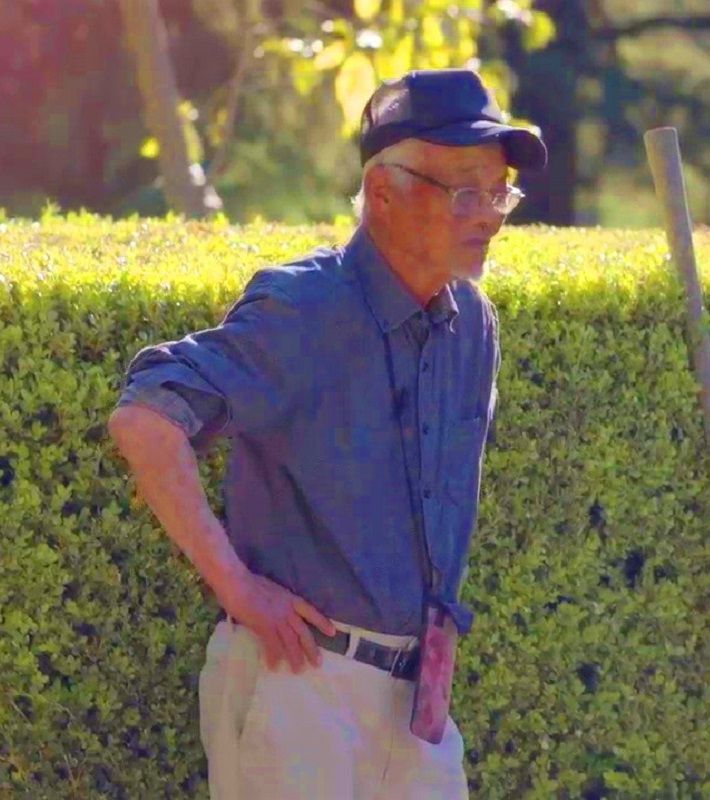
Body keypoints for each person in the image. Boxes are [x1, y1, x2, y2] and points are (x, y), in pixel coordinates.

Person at [106, 68, 547, 799]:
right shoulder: (305, 309)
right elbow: (145, 418)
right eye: (465, 190)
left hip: (418, 706)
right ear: (383, 192)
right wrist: (238, 588)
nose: (491, 215)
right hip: (296, 691)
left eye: (499, 190)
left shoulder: (473, 323)